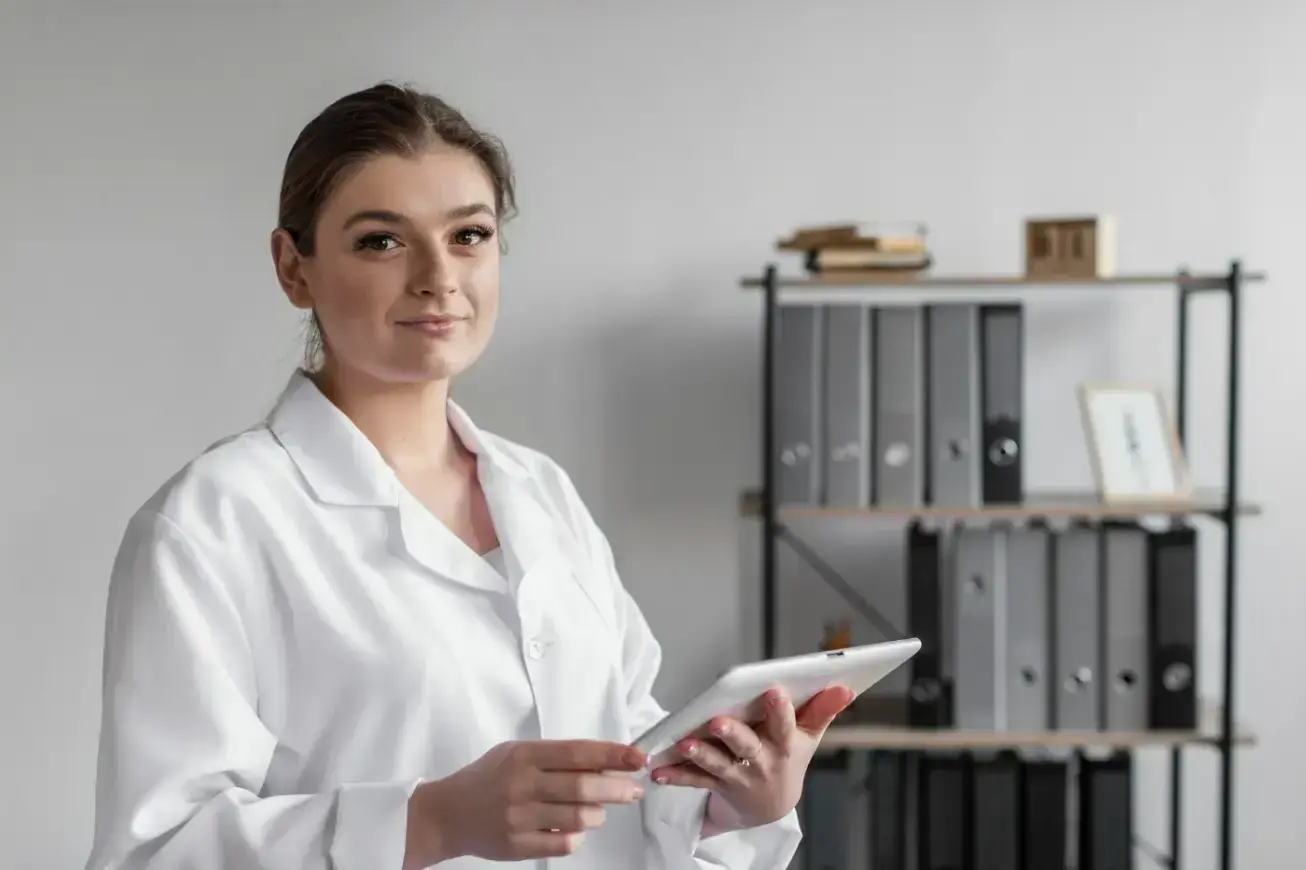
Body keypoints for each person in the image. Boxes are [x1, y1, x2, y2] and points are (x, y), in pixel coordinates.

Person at [83, 82, 853, 870]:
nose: (437, 277)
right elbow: (156, 851)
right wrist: (431, 821)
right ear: (294, 269)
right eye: (382, 241)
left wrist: (737, 801)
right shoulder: (213, 522)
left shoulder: (540, 491)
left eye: (469, 235)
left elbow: (632, 765)